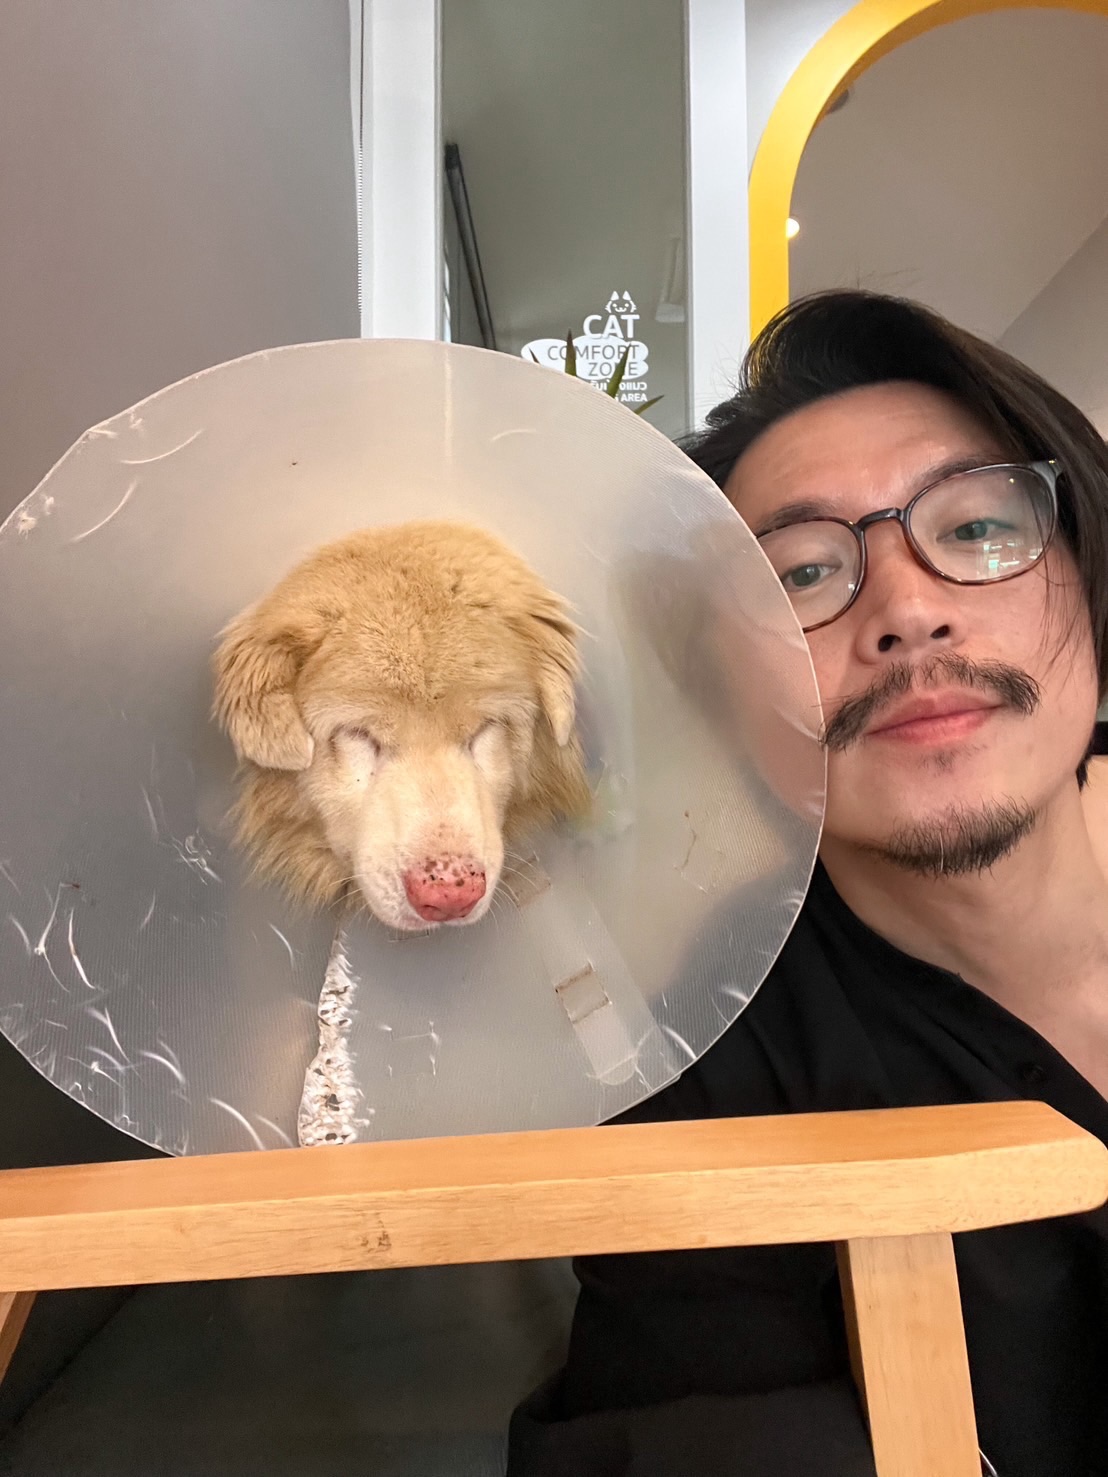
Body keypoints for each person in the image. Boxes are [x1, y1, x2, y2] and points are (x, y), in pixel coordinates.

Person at [507, 290, 1108, 1477]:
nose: (907, 610)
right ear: (733, 708)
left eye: (979, 527)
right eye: (800, 574)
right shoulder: (708, 1088)